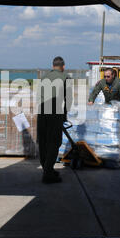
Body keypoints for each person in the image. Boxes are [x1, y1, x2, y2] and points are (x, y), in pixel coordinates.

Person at [37, 56, 72, 184]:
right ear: (63, 67)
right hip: (54, 112)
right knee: (54, 142)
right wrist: (64, 115)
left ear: (53, 66)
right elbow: (68, 99)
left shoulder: (44, 77)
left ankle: (47, 169)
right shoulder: (65, 77)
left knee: (43, 141)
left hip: (41, 111)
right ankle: (48, 174)